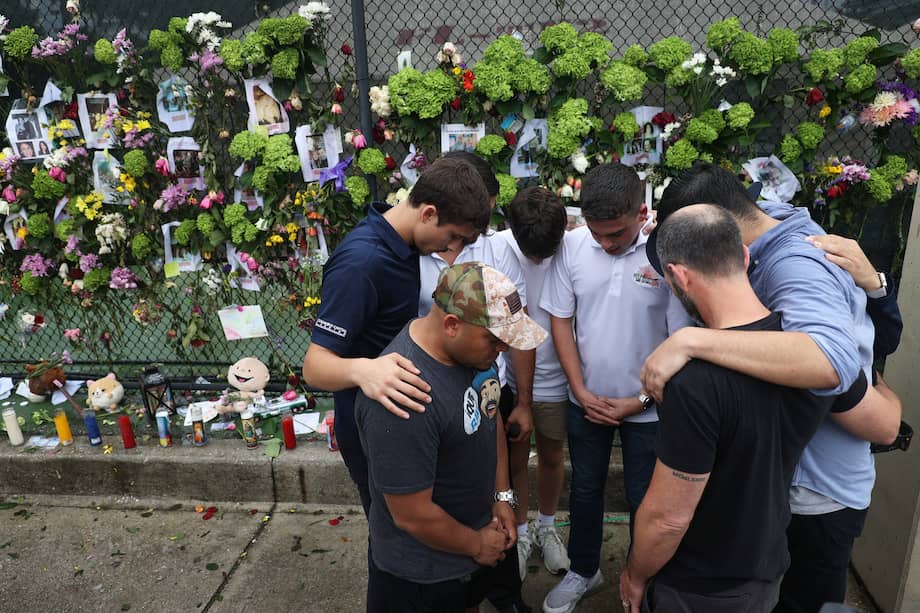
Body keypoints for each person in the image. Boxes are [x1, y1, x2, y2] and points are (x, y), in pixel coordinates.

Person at [641, 163, 901, 612]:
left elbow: (832, 365)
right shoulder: (767, 224)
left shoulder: (795, 264)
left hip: (818, 491)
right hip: (789, 480)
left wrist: (691, 339)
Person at [620, 204, 838, 611]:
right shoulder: (810, 352)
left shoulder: (693, 382)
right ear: (743, 255)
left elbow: (668, 518)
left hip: (699, 584)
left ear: (678, 276)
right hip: (766, 564)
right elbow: (882, 420)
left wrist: (635, 574)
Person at [540, 163, 692, 613]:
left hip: (648, 406)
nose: (605, 243)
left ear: (642, 213)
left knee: (644, 497)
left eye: (617, 235)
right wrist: (579, 389)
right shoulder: (571, 246)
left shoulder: (665, 252)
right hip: (586, 401)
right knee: (585, 489)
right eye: (597, 234)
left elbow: (681, 341)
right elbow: (560, 320)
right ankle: (584, 570)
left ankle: (640, 578)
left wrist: (641, 400)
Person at [302, 157, 491, 514]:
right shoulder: (362, 264)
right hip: (372, 431)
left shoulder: (402, 243)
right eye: (453, 238)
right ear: (429, 213)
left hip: (408, 423)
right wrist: (365, 370)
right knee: (397, 536)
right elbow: (314, 367)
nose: (453, 251)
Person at [356, 262, 548, 612]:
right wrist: (476, 544)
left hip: (469, 550)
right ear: (451, 325)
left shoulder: (476, 355)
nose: (501, 351)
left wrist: (501, 496)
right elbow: (412, 514)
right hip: (421, 574)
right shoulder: (404, 398)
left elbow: (491, 426)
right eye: (495, 340)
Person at [417, 151, 533, 611]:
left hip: (488, 390)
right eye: (467, 226)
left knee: (496, 489)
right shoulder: (414, 252)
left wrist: (521, 399)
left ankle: (506, 590)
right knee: (458, 497)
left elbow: (516, 328)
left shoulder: (499, 249)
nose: (473, 235)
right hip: (441, 396)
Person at [493, 187, 569, 577]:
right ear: (511, 227)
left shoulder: (570, 243)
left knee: (554, 456)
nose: (539, 259)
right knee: (517, 463)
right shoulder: (497, 246)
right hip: (512, 378)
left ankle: (547, 527)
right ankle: (522, 532)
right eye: (532, 253)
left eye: (547, 252)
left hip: (558, 376)